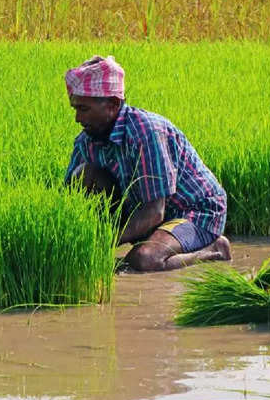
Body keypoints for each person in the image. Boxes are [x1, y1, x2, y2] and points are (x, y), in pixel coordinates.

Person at [64, 55, 231, 272]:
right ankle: (133, 254)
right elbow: (67, 198)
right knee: (83, 174)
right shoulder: (86, 141)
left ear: (113, 105)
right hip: (143, 209)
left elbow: (155, 211)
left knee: (145, 259)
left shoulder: (146, 132)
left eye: (84, 109)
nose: (77, 118)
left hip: (192, 213)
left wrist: (105, 242)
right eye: (75, 108)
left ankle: (214, 250)